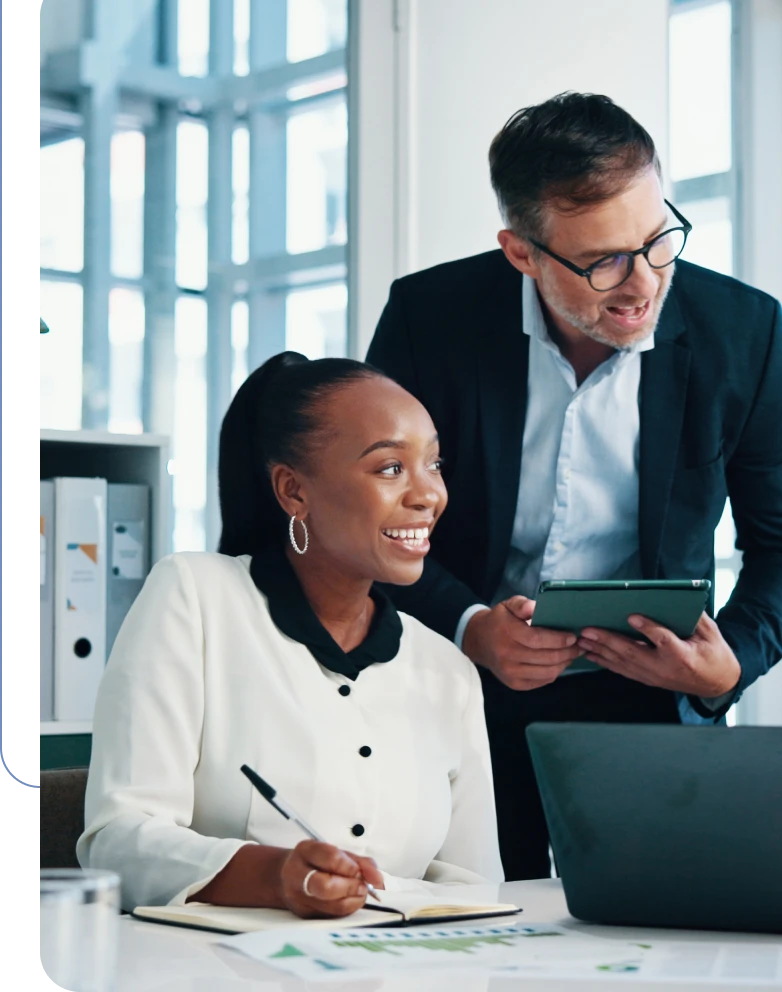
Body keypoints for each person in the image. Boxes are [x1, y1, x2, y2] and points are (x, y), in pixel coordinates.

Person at [366, 92, 782, 879]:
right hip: (462, 690)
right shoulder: (430, 317)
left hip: (654, 701)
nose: (643, 283)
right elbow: (374, 519)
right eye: (604, 261)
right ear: (522, 252)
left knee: (658, 943)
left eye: (657, 241)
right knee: (475, 941)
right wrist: (471, 623)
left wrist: (732, 665)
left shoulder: (741, 331)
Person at [78, 352, 504, 914]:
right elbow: (117, 842)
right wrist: (277, 876)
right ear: (293, 491)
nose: (429, 495)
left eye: (434, 464)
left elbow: (479, 890)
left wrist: (369, 894)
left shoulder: (445, 667)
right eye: (390, 468)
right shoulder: (195, 597)